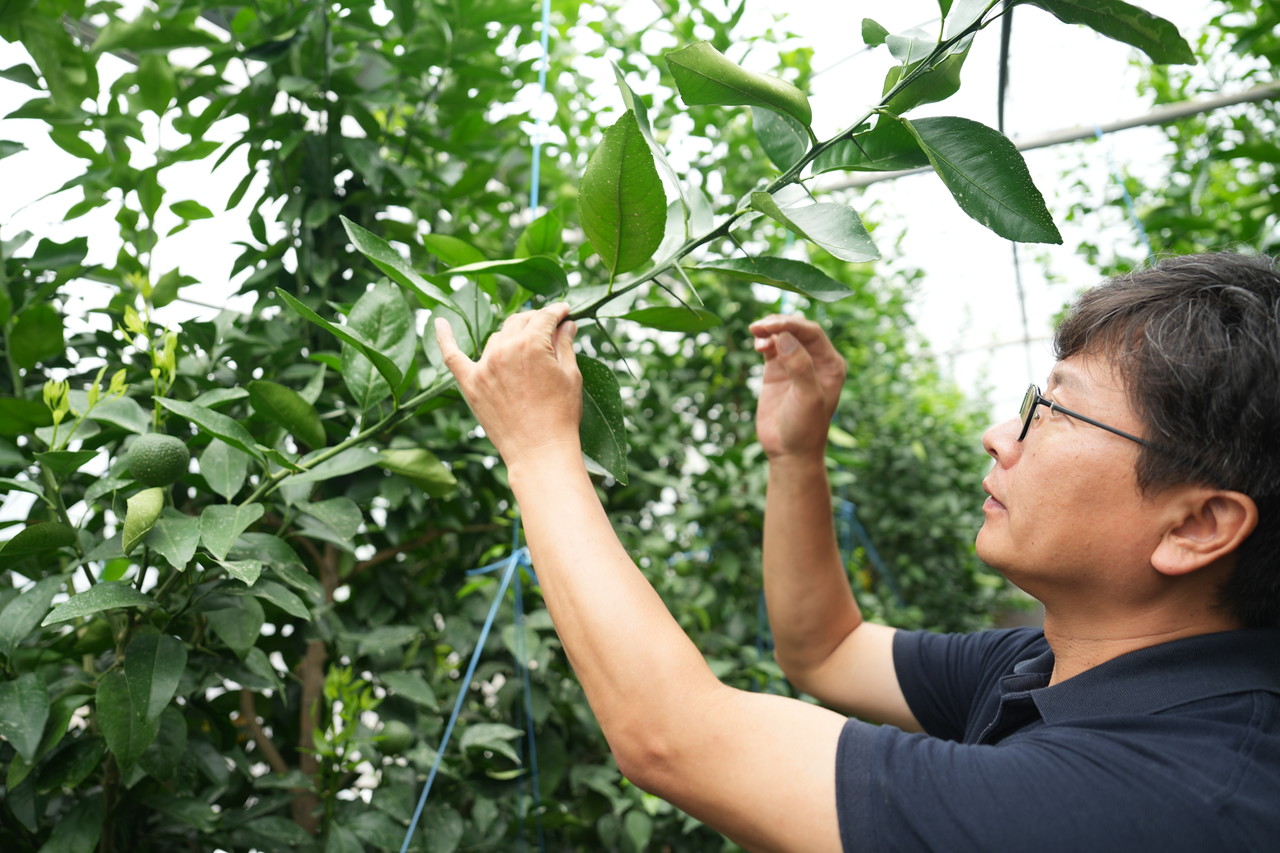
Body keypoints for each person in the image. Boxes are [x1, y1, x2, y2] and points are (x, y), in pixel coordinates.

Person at [434, 251, 1280, 852]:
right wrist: (797, 456)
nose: (999, 436)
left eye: (1055, 411)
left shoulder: (1162, 795)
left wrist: (539, 448)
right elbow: (827, 650)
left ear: (1196, 526)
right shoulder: (1054, 665)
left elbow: (674, 738)